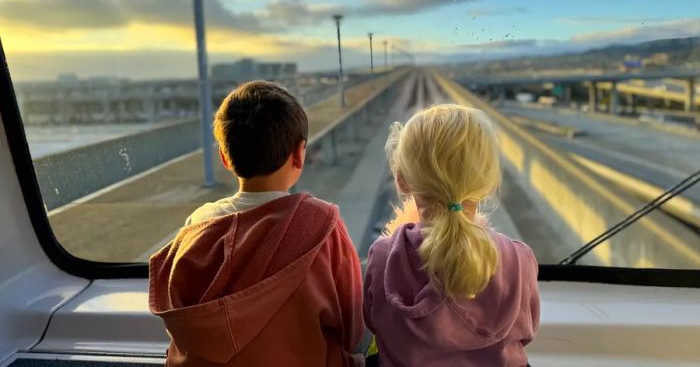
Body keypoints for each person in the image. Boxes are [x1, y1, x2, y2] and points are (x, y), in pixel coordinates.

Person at [149, 81, 364, 367]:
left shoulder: (197, 225)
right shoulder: (323, 225)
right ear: (299, 154)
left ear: (225, 158)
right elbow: (351, 330)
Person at [363, 104, 540, 367]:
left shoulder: (381, 258)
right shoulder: (519, 259)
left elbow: (372, 322)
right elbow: (528, 331)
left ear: (401, 180)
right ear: (488, 183)